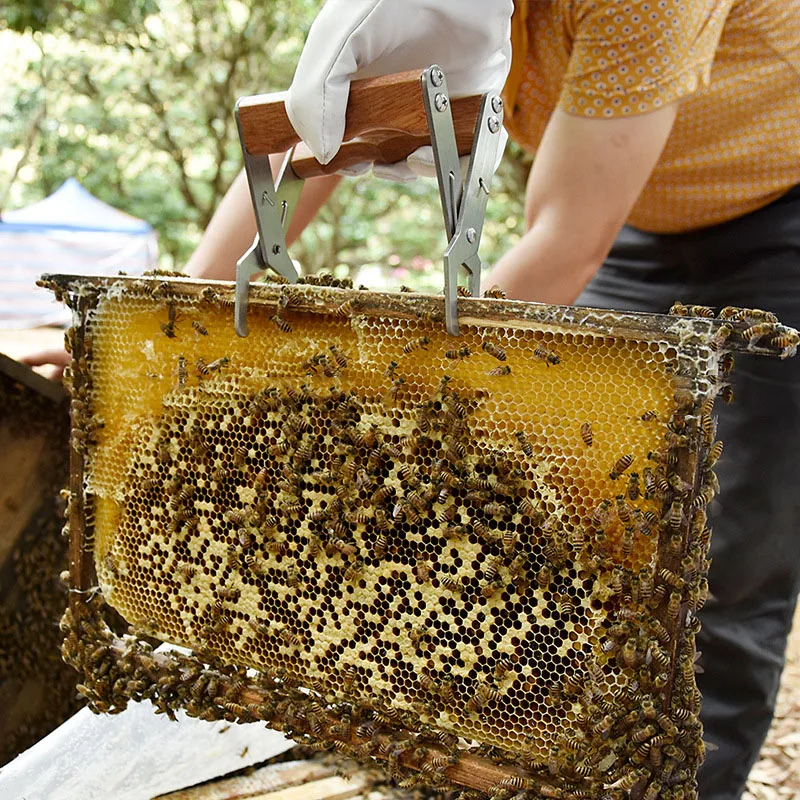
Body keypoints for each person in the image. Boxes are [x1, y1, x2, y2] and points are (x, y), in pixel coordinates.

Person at [23, 2, 800, 799]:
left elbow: (566, 237)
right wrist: (162, 344)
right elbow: (307, 144)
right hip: (636, 219)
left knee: (719, 572)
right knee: (575, 539)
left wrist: (378, 404)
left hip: (775, 224)